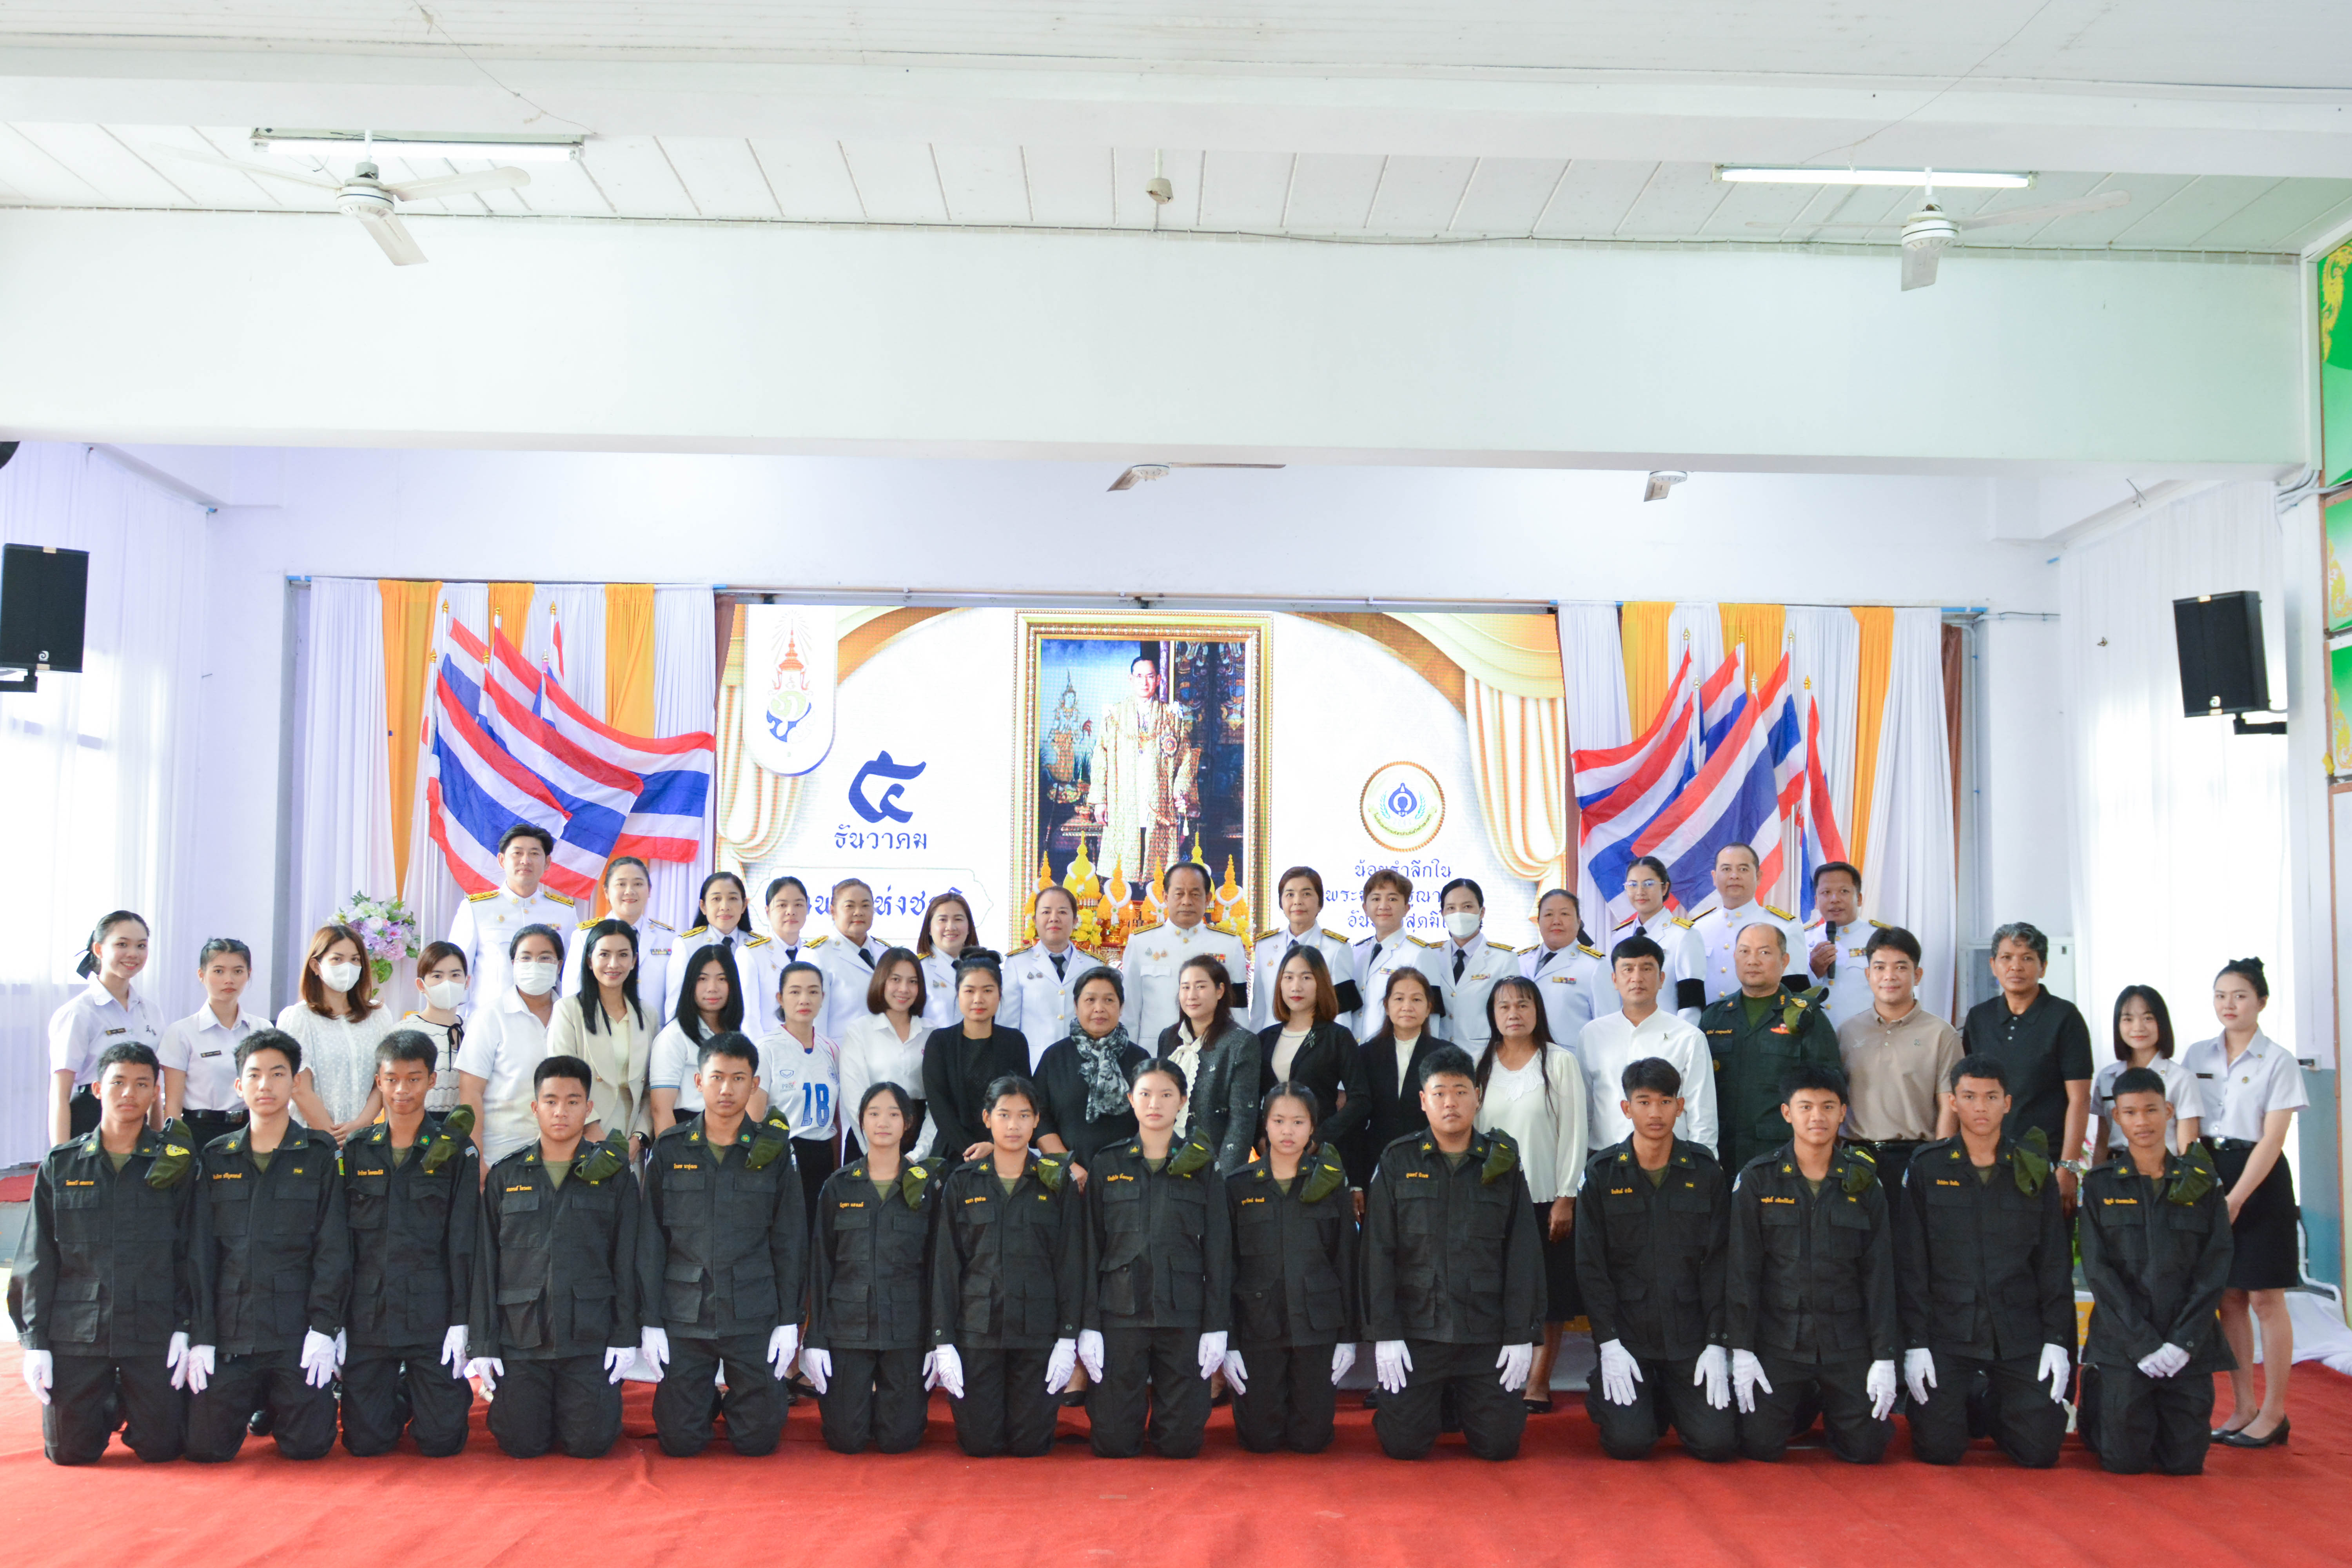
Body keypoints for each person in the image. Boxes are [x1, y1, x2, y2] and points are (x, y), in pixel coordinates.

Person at [19, 1042, 197, 1466]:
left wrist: (188, 1327)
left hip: (151, 1328)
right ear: (98, 1089)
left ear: (156, 1092)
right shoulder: (63, 1164)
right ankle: (109, 1401)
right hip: (80, 1330)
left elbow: (192, 1252)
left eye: (142, 1084)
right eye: (118, 1082)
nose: (129, 1093)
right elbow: (38, 1257)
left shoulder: (175, 1164)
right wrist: (35, 1342)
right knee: (69, 1453)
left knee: (162, 1449)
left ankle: (130, 1399)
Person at [1362, 1044, 1544, 1460]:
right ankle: (1434, 1402)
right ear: (1423, 1101)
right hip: (1419, 1333)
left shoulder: (1502, 1162)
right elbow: (1378, 1252)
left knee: (1499, 1445)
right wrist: (1385, 1333)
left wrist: (1520, 1334)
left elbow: (1523, 1254)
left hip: (1484, 1333)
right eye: (1440, 1093)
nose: (1450, 1103)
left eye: (1461, 1092)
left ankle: (1458, 1401)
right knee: (1404, 1446)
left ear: (1477, 1097)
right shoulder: (1397, 1160)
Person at [1894, 1056, 2074, 1468]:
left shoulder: (2032, 1167)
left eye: (1991, 1097)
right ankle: (1968, 1398)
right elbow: (1912, 1263)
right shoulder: (1927, 1166)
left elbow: (2053, 1260)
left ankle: (1996, 1402)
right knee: (1939, 1450)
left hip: (2018, 1332)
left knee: (2039, 1451)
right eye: (1970, 1096)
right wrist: (1915, 1343)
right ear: (1953, 1102)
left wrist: (2056, 1340)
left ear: (2007, 1103)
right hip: (1948, 1332)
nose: (1980, 1107)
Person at [184, 1029, 350, 1463]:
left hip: (295, 1334)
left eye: (278, 1074)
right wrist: (201, 1335)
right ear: (239, 1086)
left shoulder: (318, 1155)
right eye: (255, 1075)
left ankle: (276, 1403)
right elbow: (201, 1253)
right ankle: (259, 1399)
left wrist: (324, 1329)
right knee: (205, 1448)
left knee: (309, 1447)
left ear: (295, 1083)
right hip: (232, 1333)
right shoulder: (216, 1157)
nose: (266, 1085)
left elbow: (333, 1249)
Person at [464, 1056, 642, 1459]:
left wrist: (624, 1335)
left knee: (591, 1443)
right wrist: (484, 1342)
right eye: (551, 1101)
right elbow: (486, 1264)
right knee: (520, 1442)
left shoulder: (614, 1176)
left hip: (588, 1338)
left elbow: (628, 1259)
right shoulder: (506, 1176)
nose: (561, 1111)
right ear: (535, 1107)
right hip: (522, 1339)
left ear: (588, 1108)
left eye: (573, 1102)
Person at [637, 1033, 805, 1459]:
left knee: (758, 1441)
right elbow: (651, 1240)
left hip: (752, 1313)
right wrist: (650, 1320)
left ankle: (739, 1401)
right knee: (680, 1442)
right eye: (717, 1077)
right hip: (685, 1315)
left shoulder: (774, 1151)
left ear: (755, 1084)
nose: (726, 1089)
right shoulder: (670, 1149)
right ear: (698, 1082)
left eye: (738, 1078)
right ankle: (702, 1399)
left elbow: (790, 1241)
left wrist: (789, 1320)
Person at [1726, 1063, 1898, 1465]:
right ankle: (1803, 1402)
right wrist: (1742, 1350)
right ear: (1787, 1113)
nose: (1817, 1117)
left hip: (1846, 1342)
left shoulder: (1864, 1182)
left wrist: (1885, 1355)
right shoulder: (1759, 1179)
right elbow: (1742, 1271)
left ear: (1843, 1112)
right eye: (1805, 1107)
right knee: (1759, 1445)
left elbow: (1879, 1275)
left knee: (1866, 1449)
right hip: (1780, 1340)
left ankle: (1833, 1403)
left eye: (1828, 1107)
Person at [1574, 1057, 1736, 1463]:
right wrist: (1608, 1342)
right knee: (1629, 1443)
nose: (1655, 1113)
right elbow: (1591, 1267)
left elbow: (1720, 1262)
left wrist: (1717, 1343)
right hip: (1629, 1338)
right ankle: (1614, 1393)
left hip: (1690, 1337)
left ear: (1680, 1107)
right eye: (1644, 1102)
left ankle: (1665, 1399)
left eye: (1665, 1102)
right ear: (1626, 1108)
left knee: (1717, 1444)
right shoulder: (1602, 1174)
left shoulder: (1705, 1172)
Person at [2076, 1067, 2235, 1475]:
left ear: (2168, 1111)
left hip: (2187, 1343)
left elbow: (2215, 1266)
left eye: (2151, 1110)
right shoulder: (2100, 1185)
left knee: (2185, 1463)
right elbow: (2098, 1271)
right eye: (2130, 1112)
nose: (2142, 1121)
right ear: (2117, 1118)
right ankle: (2100, 1393)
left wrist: (2182, 1343)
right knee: (2124, 1461)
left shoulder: (2202, 1182)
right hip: (2124, 1343)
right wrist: (2142, 1344)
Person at [1079, 1059, 1233, 1459]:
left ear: (1182, 1101)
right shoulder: (1108, 1163)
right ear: (1131, 1099)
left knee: (1181, 1445)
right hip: (1120, 1313)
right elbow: (1089, 1247)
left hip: (1183, 1314)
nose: (1155, 1104)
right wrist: (1088, 1325)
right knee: (1113, 1444)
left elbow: (1219, 1251)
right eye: (1145, 1094)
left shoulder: (1202, 1164)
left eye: (1166, 1095)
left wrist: (1216, 1326)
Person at [337, 1031, 479, 1459]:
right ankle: (400, 1394)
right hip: (370, 1315)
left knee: (441, 1442)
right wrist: (334, 1321)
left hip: (430, 1315)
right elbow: (338, 1242)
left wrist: (462, 1321)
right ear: (378, 1081)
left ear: (432, 1080)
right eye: (392, 1079)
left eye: (414, 1079)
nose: (402, 1090)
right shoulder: (357, 1151)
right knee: (366, 1443)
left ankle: (422, 1392)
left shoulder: (455, 1151)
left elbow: (464, 1241)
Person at [929, 1076, 1088, 1458]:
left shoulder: (1057, 1182)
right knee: (980, 1444)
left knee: (1031, 1445)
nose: (1013, 1125)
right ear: (987, 1118)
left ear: (1037, 1121)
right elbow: (946, 1266)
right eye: (1004, 1115)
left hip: (1037, 1334)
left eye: (1023, 1115)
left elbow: (1071, 1262)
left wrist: (1068, 1338)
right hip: (977, 1333)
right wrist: (943, 1341)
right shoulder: (963, 1183)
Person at [2183, 956, 2306, 1448]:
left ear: (2262, 1002)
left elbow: (2273, 1139)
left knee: (2265, 1297)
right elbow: (2186, 1121)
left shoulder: (2278, 1060)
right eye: (2220, 996)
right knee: (2229, 1296)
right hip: (2210, 1171)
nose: (2228, 1004)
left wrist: (2234, 1199)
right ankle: (2244, 1407)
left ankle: (2275, 1412)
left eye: (2239, 995)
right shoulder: (2197, 1054)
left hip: (2261, 1179)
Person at [806, 1082, 943, 1454]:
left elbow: (939, 1268)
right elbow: (821, 1266)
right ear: (862, 1121)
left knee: (900, 1440)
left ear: (908, 1123)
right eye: (874, 1114)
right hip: (848, 1329)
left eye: (894, 1114)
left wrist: (938, 1339)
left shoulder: (927, 1187)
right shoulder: (838, 1187)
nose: (883, 1122)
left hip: (907, 1330)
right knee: (845, 1440)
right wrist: (815, 1339)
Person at [1221, 1084, 1358, 1453]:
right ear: (1265, 1124)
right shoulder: (1237, 1186)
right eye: (1279, 1121)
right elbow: (1225, 1268)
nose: (1288, 1131)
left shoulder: (1331, 1183)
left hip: (1316, 1324)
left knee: (1311, 1440)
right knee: (1259, 1440)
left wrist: (1348, 1337)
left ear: (1313, 1126)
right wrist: (1228, 1342)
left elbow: (1345, 1261)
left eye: (1299, 1122)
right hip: (1258, 1325)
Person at [1472, 976, 1587, 1412]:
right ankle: (1496, 1378)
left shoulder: (1559, 1061)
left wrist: (1566, 1195)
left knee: (1549, 1295)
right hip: (1493, 1201)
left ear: (1537, 1010)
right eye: (1504, 1006)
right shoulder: (1481, 1063)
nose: (1514, 1013)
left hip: (1545, 1198)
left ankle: (1538, 1382)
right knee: (1495, 1291)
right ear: (1493, 1015)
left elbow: (1574, 1131)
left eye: (1523, 1004)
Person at [1960, 922, 2094, 1208]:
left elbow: (2080, 1099)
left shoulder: (2065, 1017)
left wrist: (2068, 1166)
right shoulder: (1979, 1018)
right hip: (1986, 1159)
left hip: (2045, 1160)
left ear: (2043, 967)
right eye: (2007, 957)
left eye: (2028, 958)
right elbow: (1967, 1092)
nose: (2016, 967)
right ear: (1993, 965)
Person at [1700, 924, 1841, 1174]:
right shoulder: (1714, 1016)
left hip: (1784, 1155)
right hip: (1722, 1152)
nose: (1753, 961)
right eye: (1744, 951)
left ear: (1785, 961)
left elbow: (1830, 1087)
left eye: (1764, 952)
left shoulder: (1805, 1016)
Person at [1836, 926, 1965, 1194]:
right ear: (1868, 975)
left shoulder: (1941, 1034)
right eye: (1880, 967)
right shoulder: (1847, 1032)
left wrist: (1938, 1165)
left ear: (1918, 975)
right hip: (1854, 1160)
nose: (1889, 976)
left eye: (1901, 967)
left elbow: (1949, 1107)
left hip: (1915, 1161)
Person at [1577, 935, 1718, 1154]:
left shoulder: (1689, 1037)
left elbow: (1703, 1114)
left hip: (1670, 1159)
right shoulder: (1592, 1034)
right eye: (1628, 969)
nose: (1637, 978)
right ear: (1614, 979)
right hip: (1605, 1159)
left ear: (1662, 979)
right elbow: (1584, 1108)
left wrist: (1705, 1164)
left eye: (1647, 969)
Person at [454, 924, 568, 1165]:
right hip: (501, 1154)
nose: (535, 965)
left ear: (559, 965)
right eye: (526, 958)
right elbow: (471, 1092)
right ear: (513, 964)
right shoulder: (490, 1017)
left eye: (545, 958)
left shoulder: (571, 1016)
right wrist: (476, 1158)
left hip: (561, 1154)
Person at [276, 922, 398, 1142]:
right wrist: (333, 1137)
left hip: (363, 1138)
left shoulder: (378, 1015)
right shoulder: (298, 1018)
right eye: (337, 959)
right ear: (316, 966)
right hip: (310, 1140)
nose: (347, 967)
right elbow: (299, 1087)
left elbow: (385, 1079)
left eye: (355, 960)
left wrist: (360, 1126)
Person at [50, 910, 163, 1143]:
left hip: (139, 1126)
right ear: (99, 949)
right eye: (122, 944)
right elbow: (60, 1095)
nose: (133, 954)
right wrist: (60, 1156)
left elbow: (156, 1083)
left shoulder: (151, 1011)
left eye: (141, 946)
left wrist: (159, 1141)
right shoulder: (78, 1013)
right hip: (91, 1121)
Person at [546, 917, 652, 1159]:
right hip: (581, 1138)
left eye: (623, 955)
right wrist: (595, 1135)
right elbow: (562, 1080)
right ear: (589, 960)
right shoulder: (569, 1010)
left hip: (631, 1143)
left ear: (634, 961)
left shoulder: (648, 1014)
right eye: (604, 954)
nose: (614, 964)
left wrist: (639, 1138)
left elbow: (651, 1088)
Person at [1088, 651, 1198, 883]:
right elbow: (1100, 758)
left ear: (1158, 680)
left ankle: (1153, 898)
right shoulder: (1114, 716)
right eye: (1139, 676)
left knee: (1158, 870)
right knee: (1123, 869)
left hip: (1158, 798)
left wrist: (1180, 791)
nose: (1144, 682)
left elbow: (1186, 758)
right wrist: (1100, 800)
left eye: (1150, 677)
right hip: (1123, 798)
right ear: (1131, 679)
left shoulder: (1171, 716)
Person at [1033, 966, 1151, 1181]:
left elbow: (1151, 1119)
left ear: (1121, 1007)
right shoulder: (1055, 1057)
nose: (1099, 1009)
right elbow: (1039, 1119)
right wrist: (1068, 1167)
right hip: (1068, 1178)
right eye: (1090, 1000)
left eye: (1109, 1000)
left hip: (1129, 1177)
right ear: (1076, 1006)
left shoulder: (1140, 1059)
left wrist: (1126, 1169)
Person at [445, 824, 578, 1007]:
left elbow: (573, 974)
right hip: (490, 1016)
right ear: (502, 860)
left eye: (534, 854)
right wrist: (458, 1020)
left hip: (547, 1016)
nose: (526, 861)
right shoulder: (476, 908)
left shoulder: (564, 912)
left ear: (547, 863)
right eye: (517, 853)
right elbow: (457, 970)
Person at [1153, 953, 1261, 1176]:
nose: (1192, 995)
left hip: (1213, 1165)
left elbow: (1242, 1119)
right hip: (1167, 1159)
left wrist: (1226, 1177)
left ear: (1220, 991)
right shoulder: (1169, 1038)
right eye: (1185, 987)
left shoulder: (1241, 1043)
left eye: (1201, 987)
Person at [1255, 946, 1368, 1157]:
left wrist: (1320, 1138)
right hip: (1273, 1153)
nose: (1296, 987)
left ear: (1321, 983)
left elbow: (1360, 1099)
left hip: (1318, 1155)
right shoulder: (1265, 1038)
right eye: (1289, 978)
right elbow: (1251, 1099)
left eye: (1306, 978)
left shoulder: (1338, 1037)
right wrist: (1259, 1139)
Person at [1122, 860, 1250, 1046]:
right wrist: (1131, 1055)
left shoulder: (1229, 944)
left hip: (1211, 1049)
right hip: (1154, 1051)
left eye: (1195, 894)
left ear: (1208, 898)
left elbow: (1237, 1008)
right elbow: (1130, 1011)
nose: (1187, 901)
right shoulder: (1140, 942)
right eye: (1179, 894)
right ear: (1166, 897)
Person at [922, 953, 1033, 1162]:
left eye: (988, 991)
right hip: (952, 1152)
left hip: (1005, 1150)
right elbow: (939, 1106)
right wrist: (972, 1150)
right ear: (958, 993)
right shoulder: (940, 1042)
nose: (978, 999)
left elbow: (1023, 1100)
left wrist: (993, 1145)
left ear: (1000, 994)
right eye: (970, 991)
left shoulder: (1015, 1042)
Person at [159, 936, 267, 1149]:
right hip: (201, 1132)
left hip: (252, 1130)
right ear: (202, 975)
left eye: (238, 971)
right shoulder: (181, 1033)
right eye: (219, 971)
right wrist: (175, 1149)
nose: (229, 980)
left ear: (249, 974)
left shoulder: (262, 1029)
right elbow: (173, 1106)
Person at [1347, 967, 1447, 1194]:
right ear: (1387, 1006)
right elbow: (1355, 1123)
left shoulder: (1445, 1056)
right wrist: (1355, 1183)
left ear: (1429, 1008)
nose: (1407, 1007)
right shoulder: (1365, 1055)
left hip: (1431, 1165)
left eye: (1417, 1000)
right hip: (1376, 1167)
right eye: (1399, 999)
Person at [760, 959, 842, 1228]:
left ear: (823, 998)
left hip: (823, 1157)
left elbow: (835, 1120)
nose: (804, 999)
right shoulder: (766, 1049)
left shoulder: (831, 1049)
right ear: (780, 998)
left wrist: (837, 1169)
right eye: (795, 992)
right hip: (783, 1157)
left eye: (813, 991)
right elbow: (754, 1119)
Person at [838, 945, 933, 1159]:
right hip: (869, 1139)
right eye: (896, 980)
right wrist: (877, 1154)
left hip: (918, 1141)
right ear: (881, 981)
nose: (904, 989)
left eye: (913, 982)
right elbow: (855, 1101)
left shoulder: (932, 1033)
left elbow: (938, 1104)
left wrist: (920, 1153)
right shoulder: (859, 1031)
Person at [2089, 985, 2204, 1159]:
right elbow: (2102, 1141)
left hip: (2163, 1169)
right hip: (2115, 1169)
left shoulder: (2182, 1078)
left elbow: (2187, 1149)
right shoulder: (2107, 1078)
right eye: (2128, 1019)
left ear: (2162, 1023)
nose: (2138, 1027)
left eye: (2148, 1018)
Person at [1687, 843, 1806, 1004]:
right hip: (1707, 1019)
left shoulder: (1785, 928)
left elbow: (1795, 995)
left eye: (1743, 869)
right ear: (1714, 877)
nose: (1734, 876)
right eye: (1726, 869)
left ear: (1759, 877)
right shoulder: (1698, 929)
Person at [565, 856, 674, 1031]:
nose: (630, 891)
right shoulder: (584, 936)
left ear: (649, 890)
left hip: (655, 1034)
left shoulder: (669, 939)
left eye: (638, 884)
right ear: (607, 892)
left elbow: (676, 997)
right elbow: (573, 992)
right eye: (621, 884)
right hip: (600, 1032)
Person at [1249, 866, 1363, 1029]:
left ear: (1320, 903)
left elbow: (1341, 1014)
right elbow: (1259, 1009)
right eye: (1290, 895)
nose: (1298, 901)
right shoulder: (1265, 946)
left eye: (1307, 894)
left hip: (1317, 1041)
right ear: (1281, 902)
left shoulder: (1337, 948)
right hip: (1272, 1040)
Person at [1001, 887, 1101, 1054]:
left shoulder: (1093, 966)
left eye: (1062, 912)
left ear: (1075, 921)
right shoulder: (1018, 964)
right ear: (1035, 920)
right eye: (1046, 912)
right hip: (1034, 1063)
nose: (1054, 919)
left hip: (1082, 1061)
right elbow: (1008, 1027)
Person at [675, 871, 779, 1029]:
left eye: (733, 899)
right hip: (702, 1034)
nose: (725, 907)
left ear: (744, 905)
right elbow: (676, 1004)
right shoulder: (687, 945)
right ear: (703, 906)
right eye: (716, 899)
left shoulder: (760, 947)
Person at [1610, 856, 1708, 1021]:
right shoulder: (1620, 937)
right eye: (1633, 885)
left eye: (1648, 884)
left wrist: (1681, 1036)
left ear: (1665, 888)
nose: (1640, 891)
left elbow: (1692, 1003)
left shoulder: (1685, 935)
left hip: (1669, 1032)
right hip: (1626, 1031)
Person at [1352, 867, 1442, 1038]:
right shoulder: (1356, 953)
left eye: (1392, 899)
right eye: (1376, 899)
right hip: (1354, 1049)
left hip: (1396, 1049)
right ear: (1365, 908)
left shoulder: (1420, 954)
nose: (1383, 906)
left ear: (1407, 908)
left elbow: (1432, 1016)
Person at [1432, 877, 1519, 1050]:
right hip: (1438, 1055)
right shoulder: (1430, 955)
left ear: (1482, 912)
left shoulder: (1504, 959)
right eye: (1451, 908)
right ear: (1442, 914)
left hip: (1484, 1055)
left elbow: (1511, 1014)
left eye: (1467, 907)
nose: (1459, 914)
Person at [1521, 888, 1608, 1051]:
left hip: (1573, 1061)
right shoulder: (1519, 961)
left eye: (1565, 914)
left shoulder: (1596, 966)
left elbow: (1608, 1028)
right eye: (1549, 915)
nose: (1556, 921)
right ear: (1538, 921)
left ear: (1579, 921)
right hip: (1523, 1058)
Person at [1799, 861, 1880, 1031]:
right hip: (1814, 1038)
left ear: (1859, 899)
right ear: (1816, 901)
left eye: (1844, 891)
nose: (1834, 899)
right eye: (1826, 893)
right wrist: (1813, 972)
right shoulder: (1801, 939)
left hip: (1866, 1037)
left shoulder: (1881, 939)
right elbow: (1789, 995)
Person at [813, 877, 891, 1044]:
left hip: (885, 1052)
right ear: (833, 911)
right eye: (850, 906)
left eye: (866, 906)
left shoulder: (886, 953)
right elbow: (815, 1024)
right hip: (841, 1053)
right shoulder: (818, 955)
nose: (859, 912)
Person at [401, 941, 472, 1112]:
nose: (447, 983)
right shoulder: (404, 1032)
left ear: (467, 982)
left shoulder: (477, 1029)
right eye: (438, 976)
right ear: (421, 985)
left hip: (467, 1124)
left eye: (455, 975)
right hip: (417, 1123)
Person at [916, 890, 982, 1029]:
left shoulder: (983, 967)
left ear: (969, 927)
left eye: (958, 919)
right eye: (943, 920)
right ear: (929, 928)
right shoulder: (918, 969)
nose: (951, 927)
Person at [759, 874, 818, 967]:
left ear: (807, 909)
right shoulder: (753, 954)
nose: (791, 912)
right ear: (768, 912)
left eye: (798, 905)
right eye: (782, 905)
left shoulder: (816, 954)